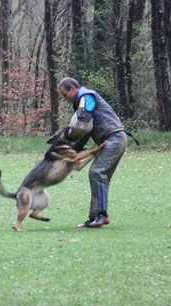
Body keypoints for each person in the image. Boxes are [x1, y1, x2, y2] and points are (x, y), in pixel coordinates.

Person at [57, 77, 127, 228]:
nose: (64, 98)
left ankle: (102, 215)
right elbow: (86, 130)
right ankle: (94, 217)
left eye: (64, 94)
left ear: (73, 89)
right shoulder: (79, 101)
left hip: (114, 137)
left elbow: (83, 116)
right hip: (109, 139)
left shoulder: (87, 95)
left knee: (97, 172)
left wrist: (67, 133)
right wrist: (72, 149)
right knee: (100, 176)